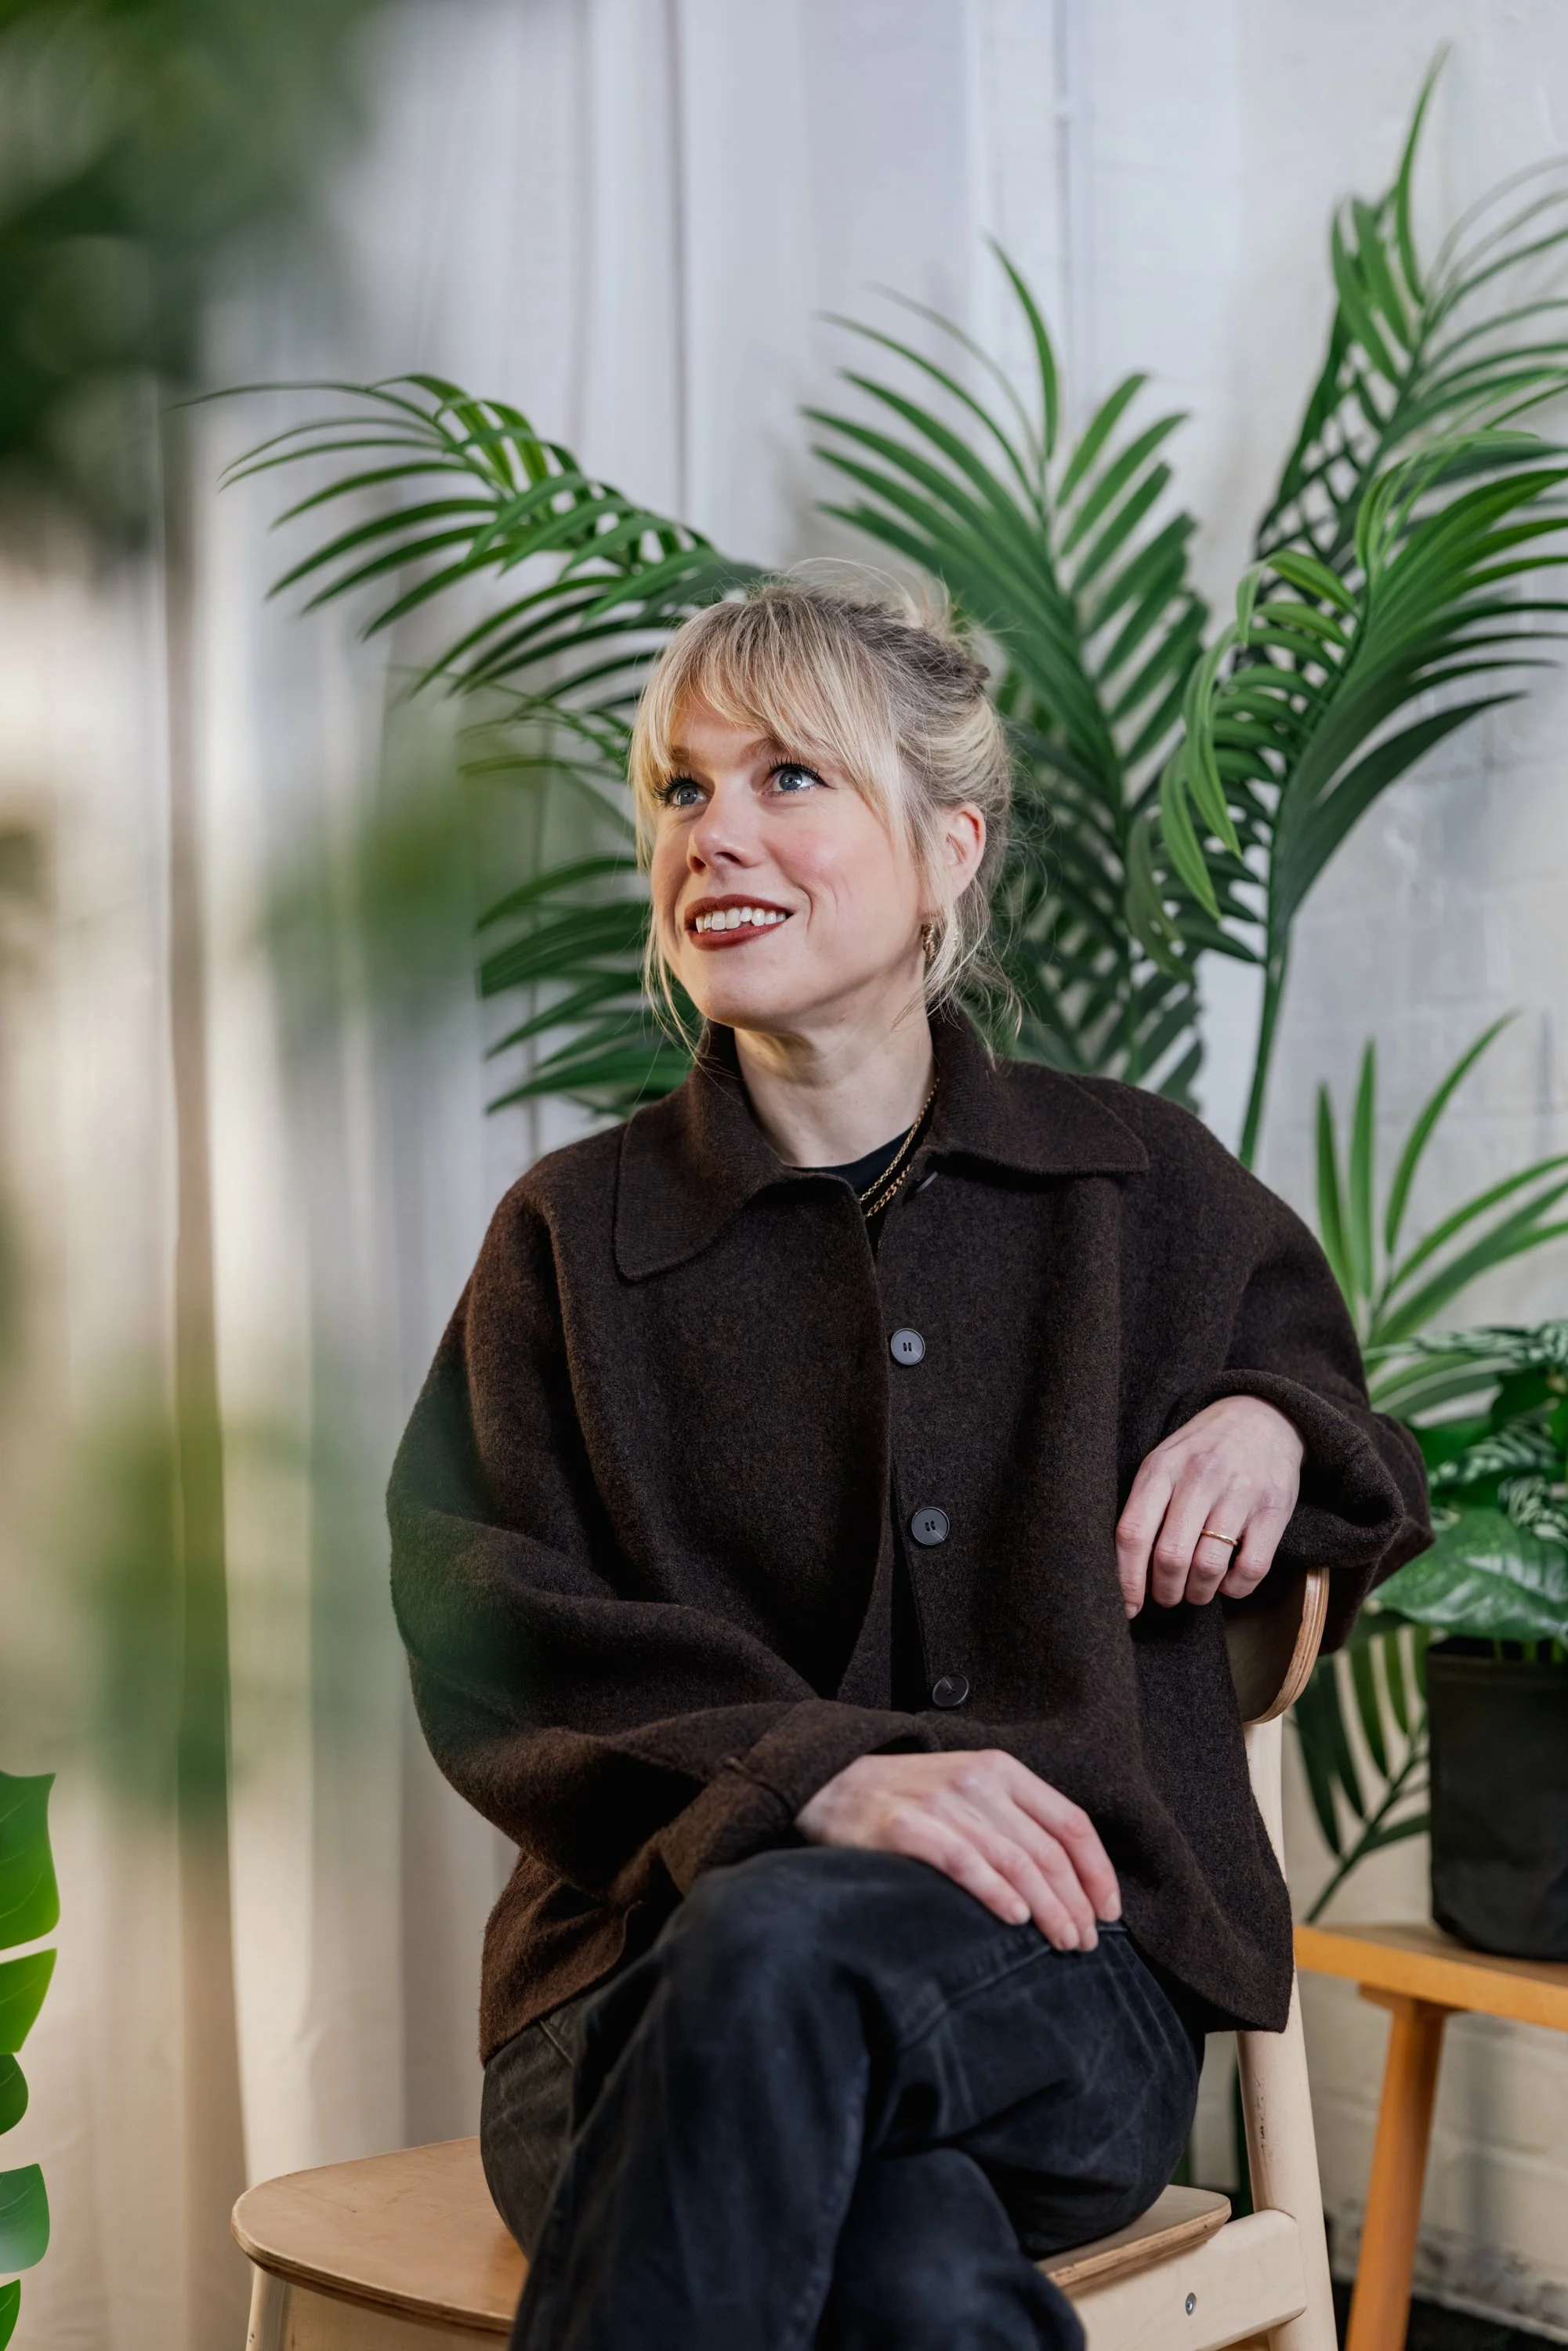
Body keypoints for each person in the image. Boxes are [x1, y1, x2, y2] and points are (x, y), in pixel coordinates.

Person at [389, 581, 1429, 2351]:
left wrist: (1271, 1424)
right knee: (905, 2269)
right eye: (680, 790)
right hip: (625, 2004)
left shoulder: (1135, 1189)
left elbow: (1364, 1458)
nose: (714, 833)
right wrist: (816, 1777)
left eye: (790, 777)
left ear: (946, 850)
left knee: (789, 1967)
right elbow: (487, 1618)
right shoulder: (570, 1239)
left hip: (1054, 1989)